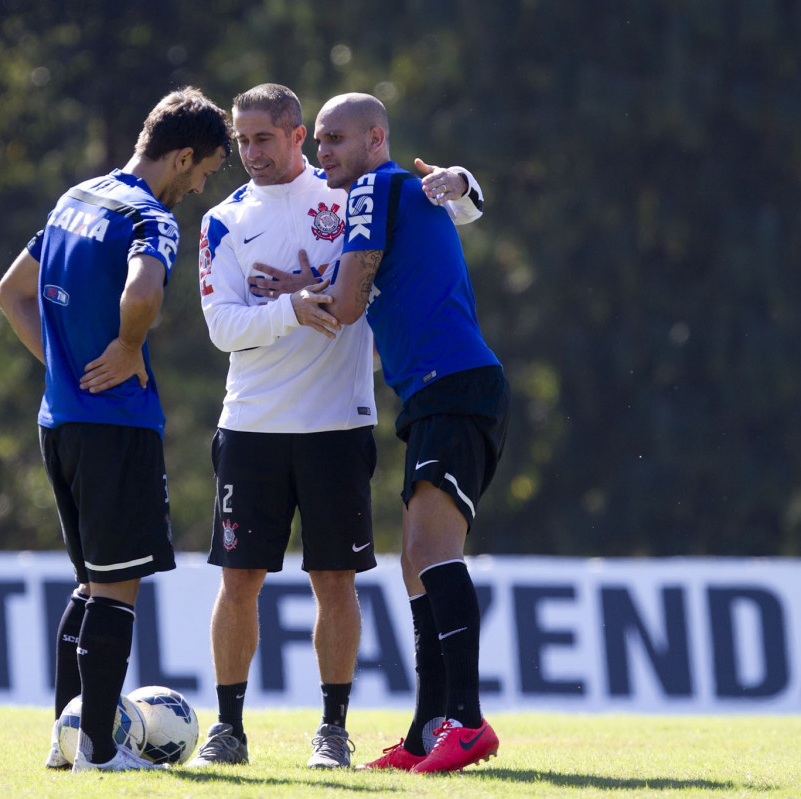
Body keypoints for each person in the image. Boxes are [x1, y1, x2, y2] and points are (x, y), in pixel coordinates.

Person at [185, 83, 485, 770]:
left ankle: (332, 728)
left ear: (296, 135)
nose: (250, 152)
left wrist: (462, 181)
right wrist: (292, 307)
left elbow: (452, 211)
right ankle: (227, 728)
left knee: (335, 582)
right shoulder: (223, 221)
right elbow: (221, 327)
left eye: (264, 138)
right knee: (239, 581)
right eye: (241, 140)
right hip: (252, 423)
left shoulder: (351, 194)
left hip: (338, 423)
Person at [0, 87, 232, 772]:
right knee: (116, 589)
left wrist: (64, 367)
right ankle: (99, 749)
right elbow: (144, 292)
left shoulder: (77, 198)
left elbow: (11, 292)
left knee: (89, 585)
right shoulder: (149, 216)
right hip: (115, 425)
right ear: (181, 156)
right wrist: (127, 348)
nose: (200, 185)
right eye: (205, 170)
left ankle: (65, 741)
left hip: (60, 420)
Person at [305, 92, 509, 774]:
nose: (321, 150)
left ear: (376, 137)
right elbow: (462, 201)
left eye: (335, 137)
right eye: (319, 140)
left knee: (430, 548)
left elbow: (349, 300)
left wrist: (285, 299)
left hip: (453, 383)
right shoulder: (397, 192)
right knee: (414, 558)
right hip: (436, 391)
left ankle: (469, 721)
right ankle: (428, 729)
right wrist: (460, 181)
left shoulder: (372, 190)